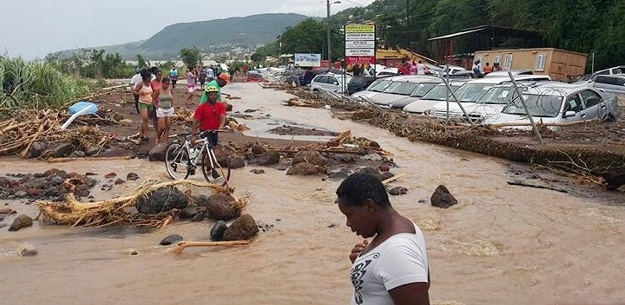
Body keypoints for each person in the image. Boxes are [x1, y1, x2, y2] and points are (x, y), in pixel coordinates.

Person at [336, 173, 430, 305]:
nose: (348, 223)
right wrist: (364, 263)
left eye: (349, 215)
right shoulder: (402, 229)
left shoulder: (397, 251)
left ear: (369, 206)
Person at [133, 69, 153, 142]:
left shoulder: (150, 84)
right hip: (142, 103)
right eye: (149, 77)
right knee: (145, 118)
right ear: (146, 78)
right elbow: (134, 91)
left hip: (150, 103)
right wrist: (139, 93)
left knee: (145, 119)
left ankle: (141, 133)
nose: (150, 78)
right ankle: (146, 134)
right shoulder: (141, 84)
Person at [153, 77, 174, 144]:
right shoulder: (158, 90)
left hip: (169, 109)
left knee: (168, 126)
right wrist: (156, 107)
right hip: (161, 109)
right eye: (166, 84)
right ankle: (158, 136)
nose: (167, 85)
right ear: (162, 83)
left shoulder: (170, 89)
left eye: (168, 84)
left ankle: (165, 140)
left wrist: (172, 106)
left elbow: (171, 98)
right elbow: (153, 99)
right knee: (162, 127)